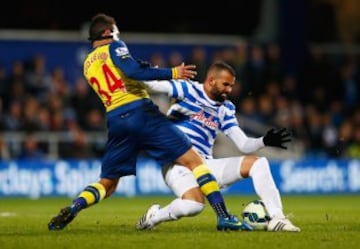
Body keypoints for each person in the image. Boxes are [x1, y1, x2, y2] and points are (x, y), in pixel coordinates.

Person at [47, 13, 251, 232]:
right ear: (107, 32)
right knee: (195, 161)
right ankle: (223, 216)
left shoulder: (87, 64)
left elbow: (122, 73)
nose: (118, 33)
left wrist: (140, 66)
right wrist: (173, 72)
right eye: (115, 29)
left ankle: (75, 206)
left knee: (108, 183)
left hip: (116, 120)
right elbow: (133, 72)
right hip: (141, 113)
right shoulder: (115, 46)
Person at [136, 61, 301, 232]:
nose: (229, 90)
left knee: (259, 163)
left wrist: (263, 141)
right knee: (194, 206)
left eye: (231, 85)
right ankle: (154, 217)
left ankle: (277, 218)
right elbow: (152, 86)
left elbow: (243, 144)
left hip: (205, 165)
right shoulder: (188, 89)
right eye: (226, 84)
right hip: (177, 164)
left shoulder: (226, 109)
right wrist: (145, 72)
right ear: (211, 81)